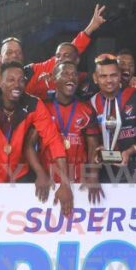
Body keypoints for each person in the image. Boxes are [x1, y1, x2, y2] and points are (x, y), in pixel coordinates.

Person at [0, 62, 74, 215]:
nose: (17, 85)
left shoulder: (33, 104)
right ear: (0, 82)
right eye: (11, 80)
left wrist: (65, 183)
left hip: (21, 175)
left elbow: (53, 139)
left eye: (21, 80)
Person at [88, 55, 136, 189]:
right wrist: (99, 149)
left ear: (120, 75)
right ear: (95, 78)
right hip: (109, 171)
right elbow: (93, 136)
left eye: (113, 75)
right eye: (103, 76)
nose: (109, 80)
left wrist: (131, 150)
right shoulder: (92, 103)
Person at [33, 60, 99, 188]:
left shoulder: (87, 109)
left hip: (80, 182)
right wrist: (39, 174)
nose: (71, 77)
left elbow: (93, 147)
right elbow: (29, 145)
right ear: (54, 79)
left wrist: (93, 176)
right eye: (65, 73)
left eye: (74, 74)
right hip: (48, 181)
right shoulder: (43, 108)